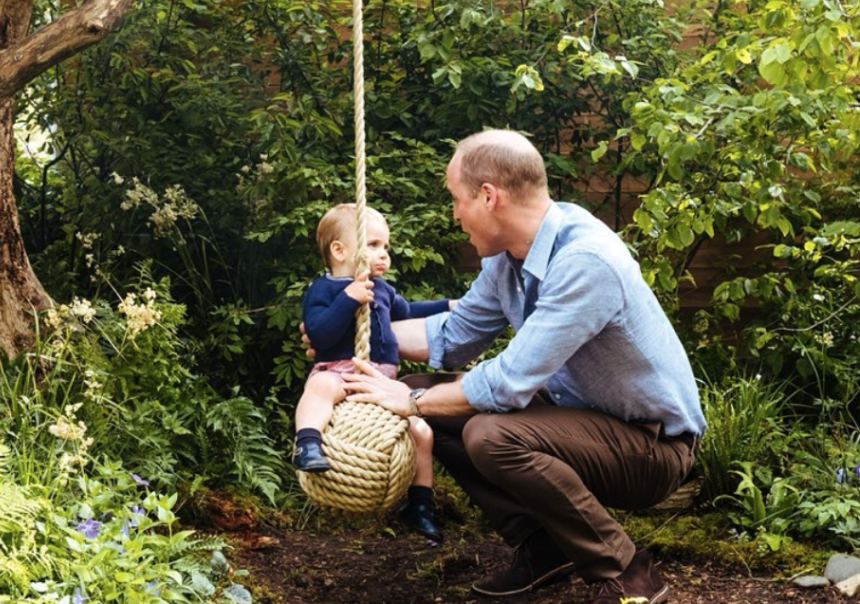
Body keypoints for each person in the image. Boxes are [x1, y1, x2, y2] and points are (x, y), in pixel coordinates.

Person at [337, 130, 707, 604]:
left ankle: (627, 569)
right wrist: (348, 340)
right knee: (430, 398)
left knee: (488, 434)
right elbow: (451, 338)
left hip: (651, 447)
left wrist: (409, 402)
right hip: (579, 419)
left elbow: (508, 383)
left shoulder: (585, 261)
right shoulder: (508, 258)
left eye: (456, 200)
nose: (454, 214)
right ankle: (545, 544)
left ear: (488, 196)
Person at [294, 203, 452, 543]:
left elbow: (408, 311)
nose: (384, 254)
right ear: (340, 250)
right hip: (340, 373)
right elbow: (319, 334)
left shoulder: (382, 288)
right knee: (320, 385)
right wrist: (348, 299)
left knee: (421, 431)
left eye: (386, 247)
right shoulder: (323, 289)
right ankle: (307, 443)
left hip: (381, 382)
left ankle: (420, 505)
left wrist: (448, 305)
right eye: (374, 244)